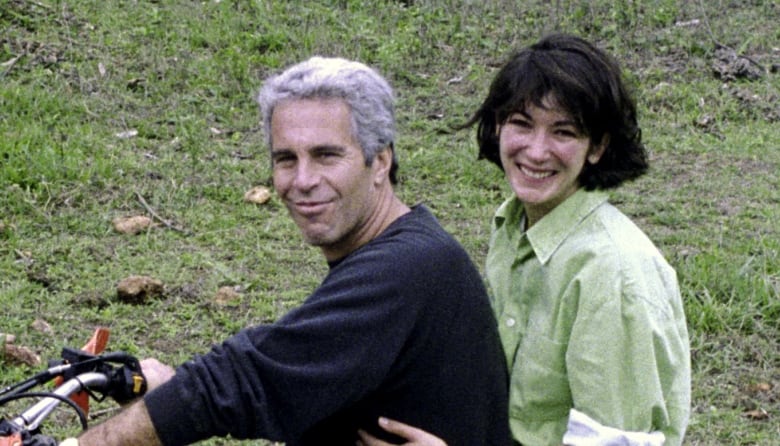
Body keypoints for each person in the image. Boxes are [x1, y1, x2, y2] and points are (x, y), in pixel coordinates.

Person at [70, 56, 511, 446]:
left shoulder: (407, 267)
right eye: (286, 159)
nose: (302, 180)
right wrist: (171, 385)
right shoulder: (404, 248)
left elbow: (239, 381)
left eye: (325, 156)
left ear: (380, 162)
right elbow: (283, 371)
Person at [360, 33, 691, 446]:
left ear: (598, 147)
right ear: (498, 126)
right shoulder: (515, 224)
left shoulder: (612, 274)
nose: (536, 151)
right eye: (521, 124)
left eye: (563, 132)